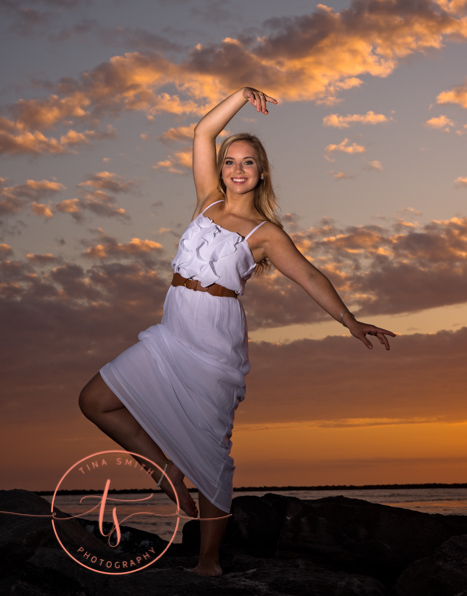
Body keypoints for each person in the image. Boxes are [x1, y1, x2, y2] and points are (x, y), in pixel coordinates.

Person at [79, 87, 395, 577]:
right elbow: (203, 130)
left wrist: (349, 321)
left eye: (248, 163)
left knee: (210, 449)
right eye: (230, 161)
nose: (237, 169)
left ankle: (208, 560)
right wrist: (241, 94)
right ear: (222, 168)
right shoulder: (206, 201)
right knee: (94, 400)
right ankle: (165, 470)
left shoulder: (266, 233)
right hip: (171, 331)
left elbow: (310, 275)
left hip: (214, 339)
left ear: (261, 171)